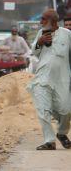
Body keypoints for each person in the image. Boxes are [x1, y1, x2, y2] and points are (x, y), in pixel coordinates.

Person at [27, 9, 71, 150]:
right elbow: (33, 51)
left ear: (53, 21)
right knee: (43, 110)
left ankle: (62, 133)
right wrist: (39, 42)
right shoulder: (41, 33)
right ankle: (49, 141)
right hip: (42, 78)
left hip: (62, 79)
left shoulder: (67, 34)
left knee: (66, 110)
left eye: (44, 19)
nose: (41, 22)